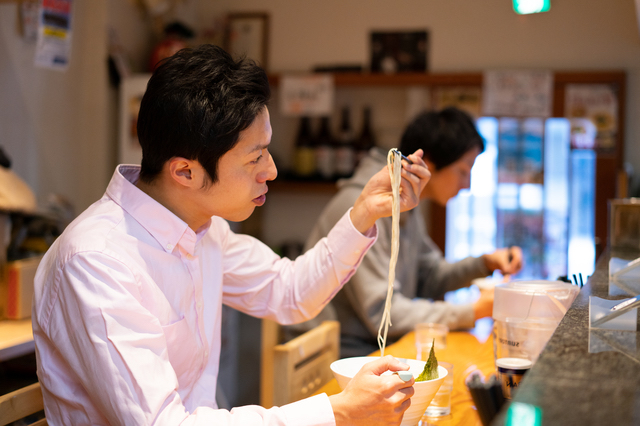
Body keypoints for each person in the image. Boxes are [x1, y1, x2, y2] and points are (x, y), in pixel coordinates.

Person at [31, 44, 431, 426]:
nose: (271, 171)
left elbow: (290, 291)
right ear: (185, 172)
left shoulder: (201, 227)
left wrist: (365, 212)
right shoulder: (97, 262)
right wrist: (338, 412)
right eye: (255, 157)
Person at [292, 107, 523, 358]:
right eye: (463, 171)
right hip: (339, 355)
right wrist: (473, 311)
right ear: (430, 163)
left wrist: (485, 263)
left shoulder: (405, 205)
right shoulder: (367, 207)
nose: (466, 185)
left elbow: (431, 276)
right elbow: (382, 313)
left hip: (372, 347)